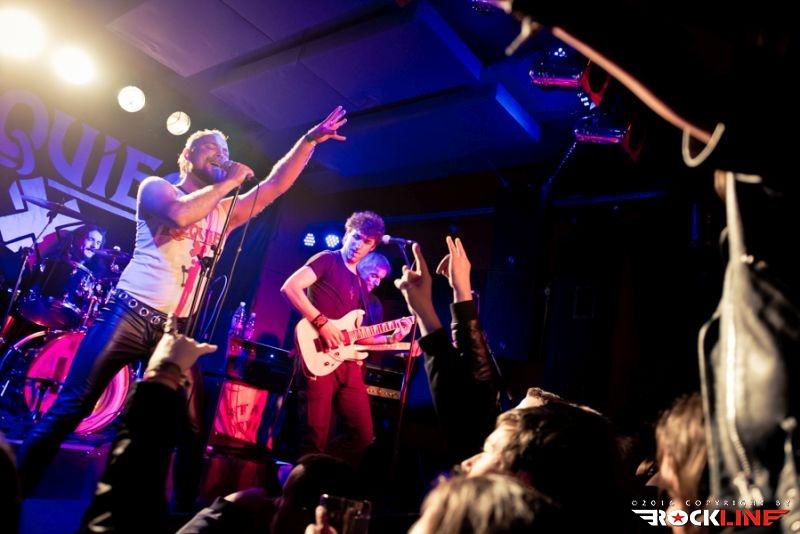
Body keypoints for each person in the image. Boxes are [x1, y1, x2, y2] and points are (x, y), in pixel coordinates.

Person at [17, 106, 349, 504]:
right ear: (187, 155)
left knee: (191, 429)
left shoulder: (225, 211)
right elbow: (178, 216)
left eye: (226, 150)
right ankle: (15, 488)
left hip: (176, 330)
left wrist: (308, 141)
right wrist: (229, 183)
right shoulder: (158, 188)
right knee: (72, 406)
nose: (222, 155)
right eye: (211, 147)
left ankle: (180, 515)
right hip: (128, 313)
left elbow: (276, 185)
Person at [280, 211, 411, 465]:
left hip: (348, 365)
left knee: (363, 436)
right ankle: (303, 476)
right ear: (346, 234)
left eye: (367, 242)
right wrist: (322, 322)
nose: (359, 245)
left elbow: (357, 337)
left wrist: (391, 338)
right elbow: (290, 287)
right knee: (314, 436)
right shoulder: (328, 259)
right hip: (318, 356)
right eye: (356, 237)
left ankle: (320, 468)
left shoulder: (361, 285)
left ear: (372, 247)